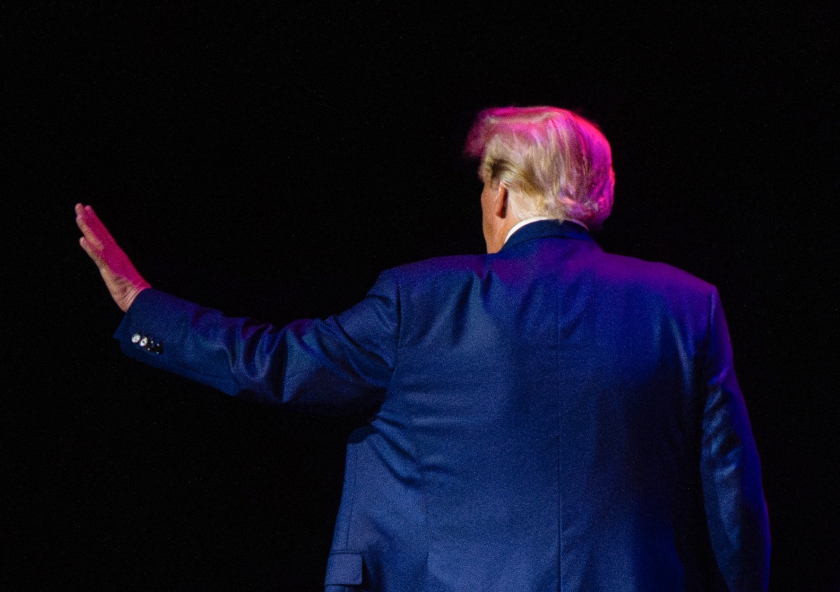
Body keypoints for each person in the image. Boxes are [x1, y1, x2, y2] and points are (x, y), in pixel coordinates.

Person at [75, 106, 770, 591]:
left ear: (500, 195)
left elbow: (275, 365)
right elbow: (733, 501)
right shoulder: (686, 307)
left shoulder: (420, 303)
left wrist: (146, 308)